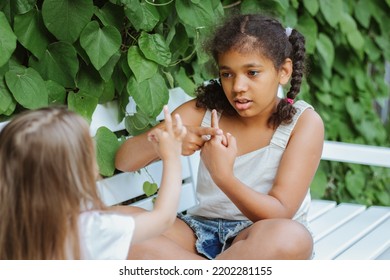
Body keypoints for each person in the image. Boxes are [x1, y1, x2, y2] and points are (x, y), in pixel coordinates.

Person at [115, 13, 324, 260]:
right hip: (197, 231)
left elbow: (280, 212)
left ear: (284, 71)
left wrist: (222, 175)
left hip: (260, 235)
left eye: (253, 73)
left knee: (292, 238)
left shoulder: (303, 123)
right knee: (115, 223)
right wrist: (166, 142)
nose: (238, 86)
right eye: (227, 74)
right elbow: (124, 161)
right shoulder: (203, 110)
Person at [0, 105, 186, 259]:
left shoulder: (11, 227)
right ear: (76, 171)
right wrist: (172, 157)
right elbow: (163, 219)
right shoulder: (90, 230)